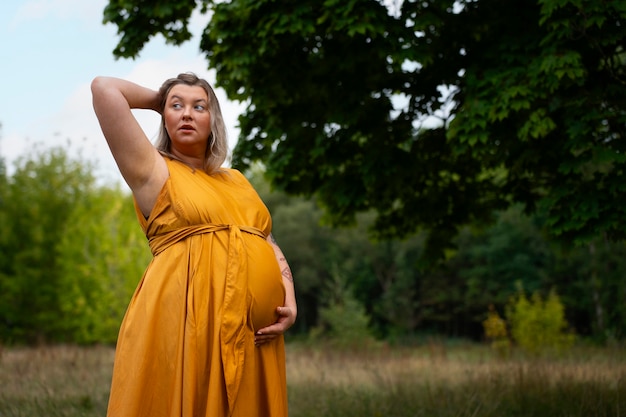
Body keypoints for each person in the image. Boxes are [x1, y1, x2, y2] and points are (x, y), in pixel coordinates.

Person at [91, 73, 297, 417]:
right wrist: (162, 99)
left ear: (213, 119)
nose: (187, 113)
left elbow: (265, 238)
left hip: (253, 334)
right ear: (164, 115)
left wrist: (288, 298)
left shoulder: (236, 180)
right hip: (187, 320)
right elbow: (104, 88)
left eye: (199, 107)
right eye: (177, 107)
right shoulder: (152, 169)